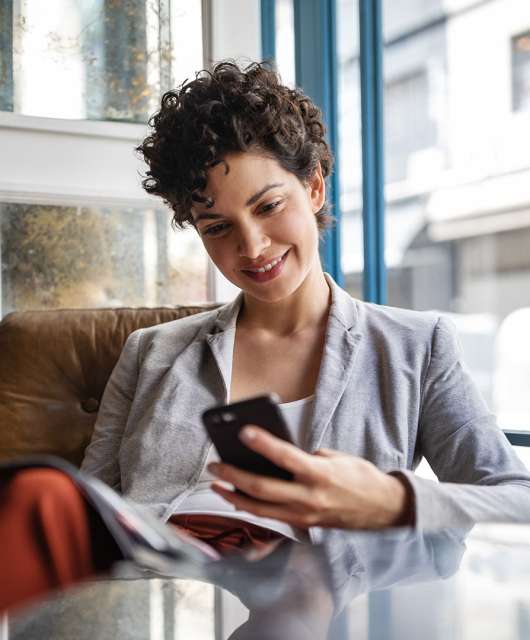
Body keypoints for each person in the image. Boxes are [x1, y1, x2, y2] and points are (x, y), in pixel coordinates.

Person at [2, 60, 530, 615]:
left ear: (314, 187)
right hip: (163, 596)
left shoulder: (415, 347)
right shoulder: (151, 351)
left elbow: (516, 500)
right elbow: (90, 514)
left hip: (318, 593)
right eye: (218, 228)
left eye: (269, 206)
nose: (251, 248)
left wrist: (391, 499)